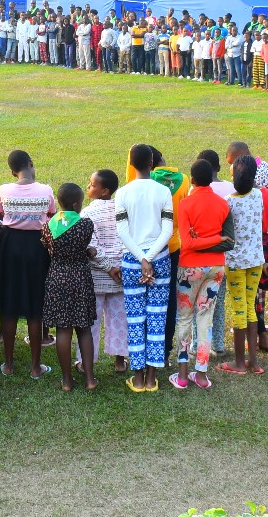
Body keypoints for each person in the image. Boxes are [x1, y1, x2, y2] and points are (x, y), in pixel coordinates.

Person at [0, 149, 54, 379]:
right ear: (31, 163)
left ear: (12, 171)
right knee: (35, 308)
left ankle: (8, 364)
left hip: (10, 247)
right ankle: (35, 367)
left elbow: (1, 211)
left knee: (9, 306)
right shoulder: (46, 190)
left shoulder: (4, 190)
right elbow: (51, 214)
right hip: (37, 248)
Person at [116, 143, 174, 392]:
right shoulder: (163, 192)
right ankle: (152, 378)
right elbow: (168, 230)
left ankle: (137, 378)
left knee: (136, 318)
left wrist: (141, 258)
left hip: (132, 261)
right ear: (152, 163)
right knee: (157, 317)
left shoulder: (122, 193)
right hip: (160, 259)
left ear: (131, 164)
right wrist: (150, 257)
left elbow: (122, 231)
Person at [170, 160, 229, 389]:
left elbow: (190, 242)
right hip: (215, 268)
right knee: (205, 319)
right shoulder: (223, 204)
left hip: (190, 268)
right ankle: (202, 374)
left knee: (184, 318)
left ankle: (183, 375)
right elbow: (224, 238)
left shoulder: (185, 205)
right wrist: (217, 239)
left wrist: (200, 239)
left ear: (192, 180)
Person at [42, 182, 98, 392]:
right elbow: (83, 246)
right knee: (84, 328)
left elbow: (47, 247)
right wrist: (88, 251)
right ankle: (90, 379)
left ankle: (66, 380)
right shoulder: (86, 225)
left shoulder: (48, 226)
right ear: (76, 204)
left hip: (57, 277)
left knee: (63, 329)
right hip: (80, 277)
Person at [217, 154, 267, 376]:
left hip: (236, 262)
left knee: (239, 309)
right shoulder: (258, 196)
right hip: (256, 260)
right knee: (250, 308)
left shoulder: (229, 201)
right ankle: (253, 362)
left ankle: (238, 363)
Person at [81, 168, 127, 372]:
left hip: (97, 278)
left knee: (91, 321)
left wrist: (108, 267)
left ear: (104, 190)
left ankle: (86, 362)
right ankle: (119, 361)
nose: (88, 187)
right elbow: (128, 239)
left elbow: (91, 246)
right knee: (119, 320)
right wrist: (117, 266)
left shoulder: (88, 212)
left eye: (92, 184)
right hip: (121, 275)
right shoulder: (123, 210)